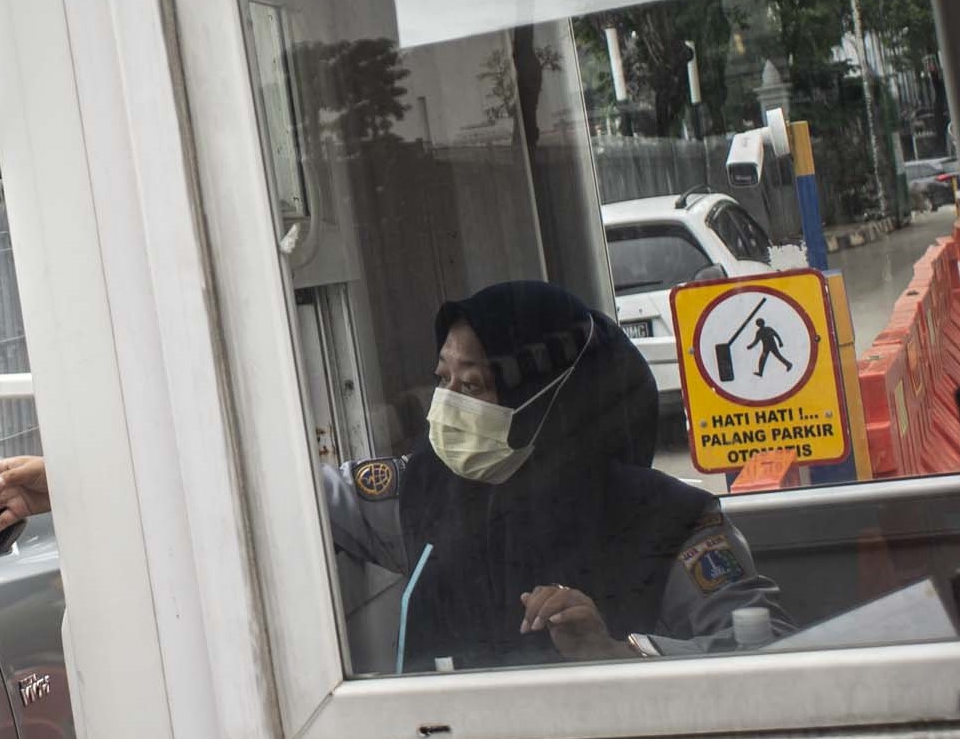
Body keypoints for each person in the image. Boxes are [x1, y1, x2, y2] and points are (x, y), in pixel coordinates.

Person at [322, 280, 790, 668]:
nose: (447, 404)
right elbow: (307, 499)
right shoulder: (427, 488)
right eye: (442, 380)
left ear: (544, 400)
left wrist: (616, 651)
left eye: (472, 385)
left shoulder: (668, 520)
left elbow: (764, 649)